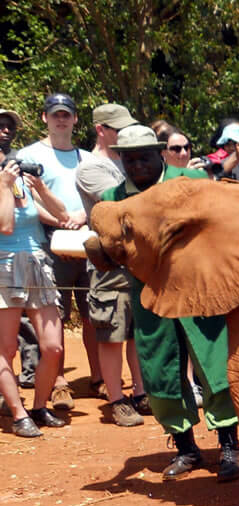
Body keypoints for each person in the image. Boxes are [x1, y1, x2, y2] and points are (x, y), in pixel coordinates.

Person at [101, 125, 239, 480]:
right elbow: (109, 250)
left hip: (198, 289)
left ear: (160, 153)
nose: (137, 165)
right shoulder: (113, 198)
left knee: (214, 363)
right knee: (160, 368)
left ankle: (230, 446)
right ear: (120, 158)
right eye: (129, 159)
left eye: (144, 157)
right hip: (148, 295)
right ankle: (186, 449)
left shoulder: (191, 180)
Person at [17, 93, 98, 410]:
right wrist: (60, 220)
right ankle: (60, 382)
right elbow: (25, 199)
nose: (61, 119)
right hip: (48, 240)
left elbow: (96, 196)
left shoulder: (88, 159)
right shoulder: (29, 155)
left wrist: (81, 218)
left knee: (94, 314)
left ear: (76, 119)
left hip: (87, 239)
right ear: (44, 118)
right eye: (55, 115)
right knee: (55, 315)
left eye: (66, 114)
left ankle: (98, 378)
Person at [1, 150, 73, 436]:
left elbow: (62, 214)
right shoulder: (6, 185)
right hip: (4, 265)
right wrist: (4, 186)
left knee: (53, 346)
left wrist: (39, 187)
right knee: (6, 348)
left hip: (38, 264)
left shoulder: (19, 184)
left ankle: (39, 406)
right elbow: (5, 225)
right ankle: (18, 414)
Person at [77, 155, 148, 426]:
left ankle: (140, 392)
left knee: (136, 333)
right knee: (111, 334)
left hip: (138, 262)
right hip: (109, 264)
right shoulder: (92, 168)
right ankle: (117, 400)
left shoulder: (134, 170)